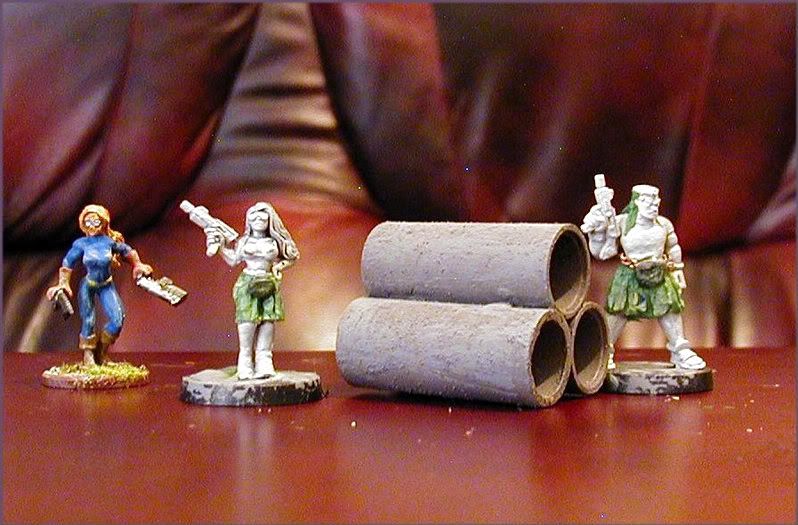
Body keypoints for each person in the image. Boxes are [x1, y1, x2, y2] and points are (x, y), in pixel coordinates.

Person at [581, 184, 706, 370]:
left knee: (669, 308)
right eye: (648, 201)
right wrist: (598, 232)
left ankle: (680, 350)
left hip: (659, 273)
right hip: (629, 275)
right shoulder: (622, 223)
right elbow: (603, 253)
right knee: (618, 312)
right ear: (636, 202)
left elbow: (673, 246)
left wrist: (678, 270)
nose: (654, 205)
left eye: (656, 200)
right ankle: (605, 351)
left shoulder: (664, 224)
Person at [46, 204, 153, 365]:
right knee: (89, 320)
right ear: (83, 224)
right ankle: (88, 355)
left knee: (117, 319)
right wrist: (63, 283)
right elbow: (68, 262)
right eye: (88, 222)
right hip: (88, 286)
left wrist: (138, 265)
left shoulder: (109, 242)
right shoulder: (81, 244)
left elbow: (127, 251)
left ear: (103, 222)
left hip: (106, 285)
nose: (92, 226)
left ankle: (101, 352)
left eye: (95, 222)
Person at [204, 202, 299, 379]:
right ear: (248, 220)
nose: (258, 220)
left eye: (263, 216)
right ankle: (245, 363)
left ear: (270, 220)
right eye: (253, 216)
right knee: (247, 321)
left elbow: (292, 256)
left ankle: (264, 362)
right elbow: (233, 260)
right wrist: (221, 248)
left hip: (269, 283)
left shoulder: (274, 241)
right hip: (248, 284)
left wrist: (278, 268)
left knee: (268, 322)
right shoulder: (244, 242)